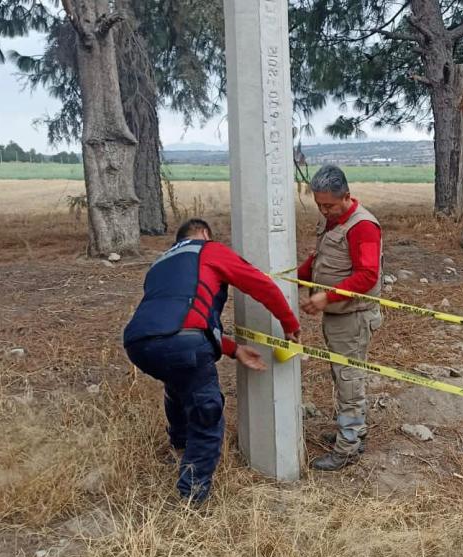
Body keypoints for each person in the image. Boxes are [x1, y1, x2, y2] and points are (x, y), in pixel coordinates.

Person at [124, 218, 301, 502]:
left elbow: (183, 315)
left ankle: (180, 447)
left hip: (138, 344)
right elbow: (259, 284)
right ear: (204, 234)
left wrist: (234, 349)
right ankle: (191, 497)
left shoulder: (160, 264)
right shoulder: (209, 249)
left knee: (179, 382)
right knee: (206, 413)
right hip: (183, 341)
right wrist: (289, 322)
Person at [298, 165, 383, 471]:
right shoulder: (333, 222)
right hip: (337, 318)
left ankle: (347, 448)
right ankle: (352, 432)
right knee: (342, 377)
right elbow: (320, 257)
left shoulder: (363, 227)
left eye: (329, 205)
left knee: (349, 383)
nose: (324, 211)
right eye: (319, 205)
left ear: (346, 196)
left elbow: (367, 276)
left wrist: (326, 296)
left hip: (353, 319)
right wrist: (296, 276)